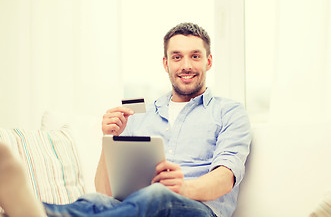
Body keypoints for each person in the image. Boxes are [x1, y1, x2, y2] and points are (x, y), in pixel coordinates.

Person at [0, 23, 251, 217]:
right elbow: (106, 192)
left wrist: (182, 188)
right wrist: (110, 139)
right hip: (136, 208)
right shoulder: (139, 113)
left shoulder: (229, 111)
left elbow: (224, 178)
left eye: (195, 56)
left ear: (208, 61)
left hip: (199, 210)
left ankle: (34, 211)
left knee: (156, 196)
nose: (186, 65)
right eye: (177, 57)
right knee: (95, 202)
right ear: (166, 64)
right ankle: (28, 209)